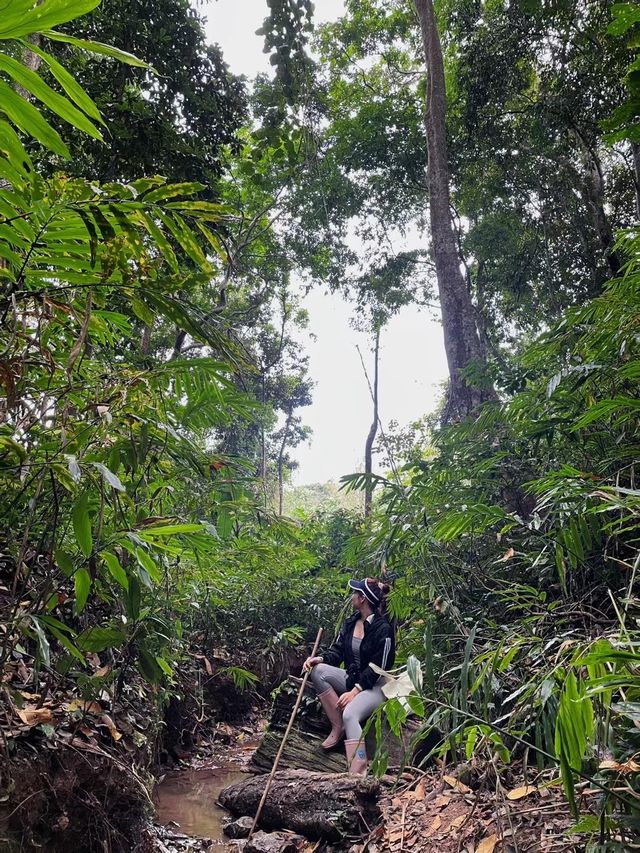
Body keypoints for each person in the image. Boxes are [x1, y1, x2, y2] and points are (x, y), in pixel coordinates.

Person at [303, 577, 395, 776]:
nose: (352, 596)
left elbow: (380, 666)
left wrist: (355, 692)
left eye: (355, 593)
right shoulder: (351, 622)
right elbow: (337, 652)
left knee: (351, 714)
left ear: (362, 599)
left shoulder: (383, 630)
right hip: (353, 679)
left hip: (375, 687)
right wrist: (320, 658)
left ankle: (359, 772)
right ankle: (338, 727)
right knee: (318, 671)